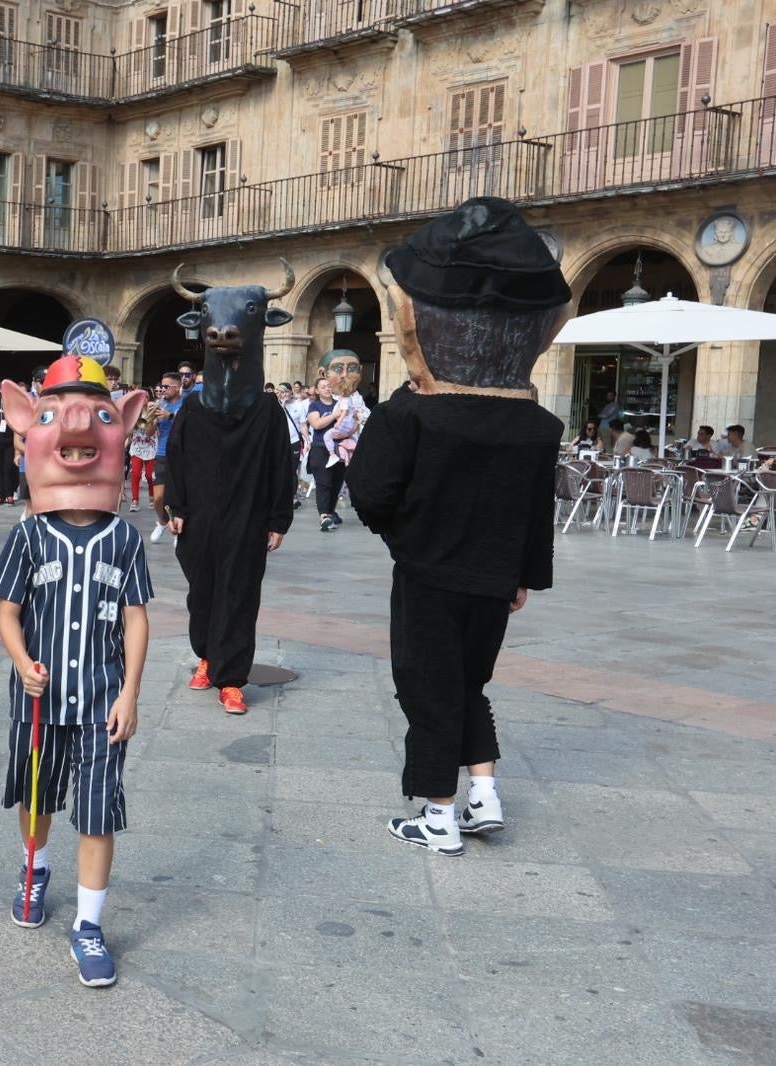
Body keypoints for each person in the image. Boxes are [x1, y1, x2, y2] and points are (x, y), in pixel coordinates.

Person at [347, 197, 570, 857]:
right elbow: (538, 506)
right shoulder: (538, 422)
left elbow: (369, 492)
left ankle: (437, 814)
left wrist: (406, 534)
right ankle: (483, 793)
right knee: (470, 682)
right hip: (496, 579)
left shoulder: (410, 414)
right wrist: (524, 575)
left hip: (428, 576)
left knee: (426, 685)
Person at [0, 353, 151, 988]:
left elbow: (136, 619)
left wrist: (131, 692)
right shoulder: (28, 537)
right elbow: (7, 614)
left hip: (101, 702)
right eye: (54, 414)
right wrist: (21, 660)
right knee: (35, 797)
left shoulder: (126, 539)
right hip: (38, 703)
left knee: (99, 811)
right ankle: (34, 866)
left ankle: (88, 925)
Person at [165, 261, 297, 715]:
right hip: (197, 515)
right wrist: (176, 506)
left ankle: (232, 677)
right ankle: (206, 654)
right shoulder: (191, 411)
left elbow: (283, 465)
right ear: (200, 327)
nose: (223, 332)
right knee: (201, 589)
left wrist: (279, 517)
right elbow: (174, 460)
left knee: (240, 591)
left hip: (248, 517)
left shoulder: (267, 412)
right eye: (211, 323)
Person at [147, 371, 184, 542]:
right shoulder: (160, 404)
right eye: (161, 386)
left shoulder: (185, 404)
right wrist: (151, 419)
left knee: (181, 496)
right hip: (162, 453)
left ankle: (179, 529)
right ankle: (162, 521)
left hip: (182, 454)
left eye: (167, 387)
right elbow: (149, 433)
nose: (163, 390)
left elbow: (188, 426)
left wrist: (169, 416)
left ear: (177, 388)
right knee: (158, 497)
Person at [305, 376, 343, 528]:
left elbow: (349, 422)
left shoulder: (340, 404)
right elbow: (317, 424)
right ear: (317, 390)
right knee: (324, 483)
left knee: (336, 483)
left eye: (328, 386)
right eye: (323, 386)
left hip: (339, 448)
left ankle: (330, 511)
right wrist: (334, 416)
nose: (327, 388)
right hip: (320, 448)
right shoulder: (315, 406)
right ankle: (324, 515)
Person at [127, 403, 158, 513]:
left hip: (150, 447)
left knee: (149, 475)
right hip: (137, 448)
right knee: (135, 474)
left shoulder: (155, 413)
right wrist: (134, 419)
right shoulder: (134, 412)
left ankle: (152, 498)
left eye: (146, 396)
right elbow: (129, 431)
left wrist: (150, 417)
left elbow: (150, 433)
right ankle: (135, 501)